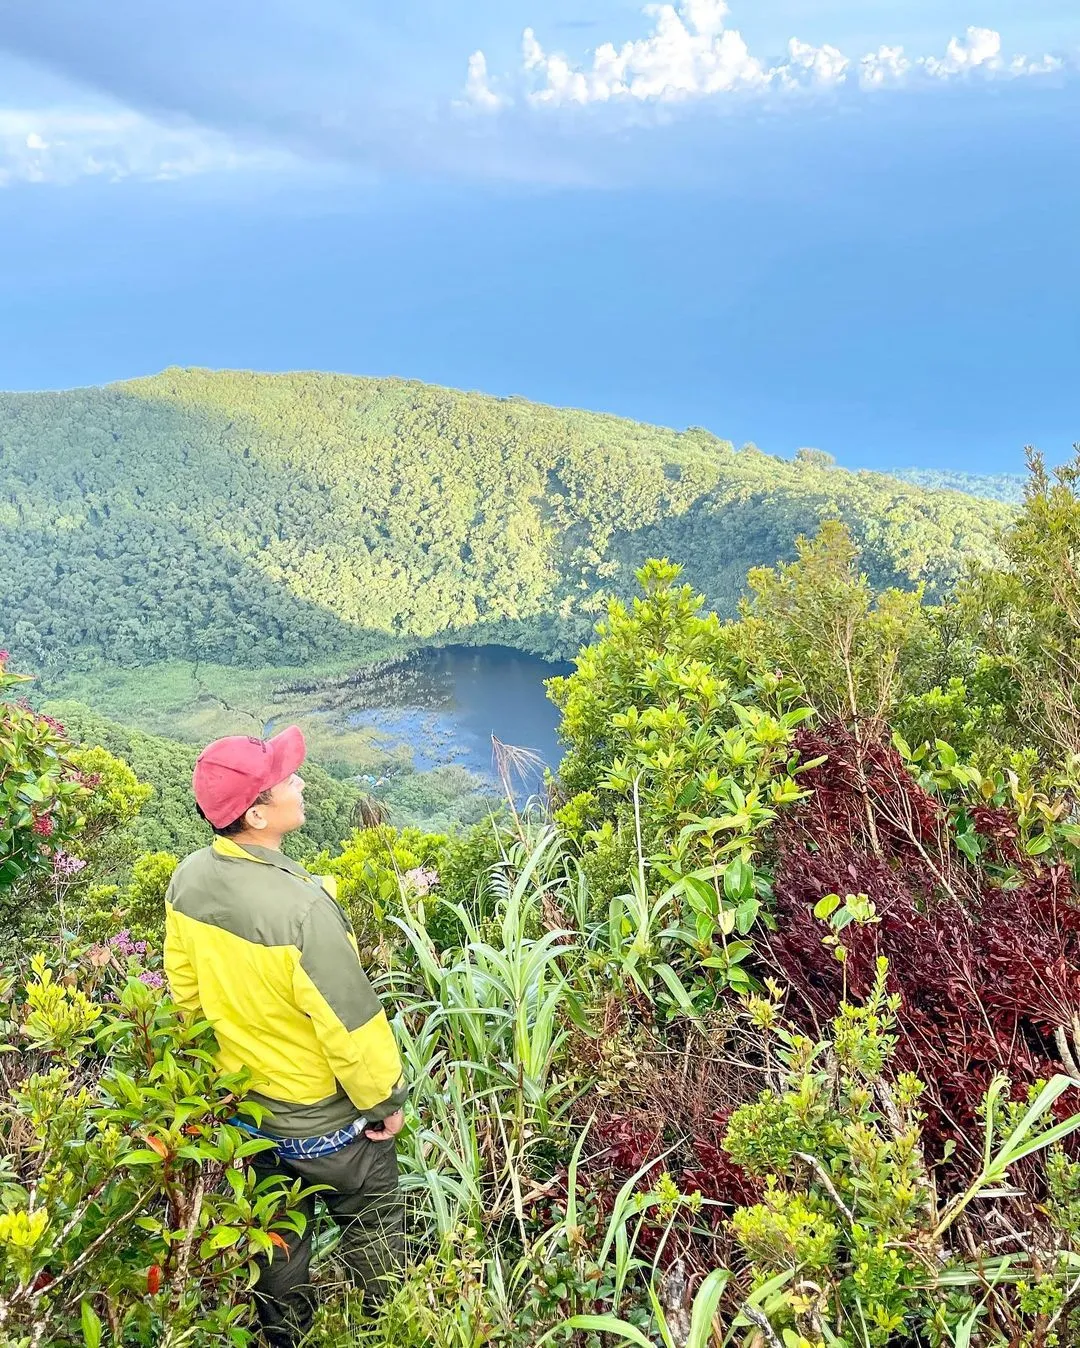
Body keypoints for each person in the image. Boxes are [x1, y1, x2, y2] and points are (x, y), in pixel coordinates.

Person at [163, 727, 407, 1346]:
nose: (300, 781)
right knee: (374, 1228)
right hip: (328, 1123)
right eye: (287, 779)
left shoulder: (188, 881)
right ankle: (392, 1326)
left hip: (246, 1114)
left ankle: (285, 1335)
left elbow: (184, 999)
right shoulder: (302, 908)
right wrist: (383, 1104)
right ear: (256, 813)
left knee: (276, 1243)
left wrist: (220, 1089)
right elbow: (349, 1023)